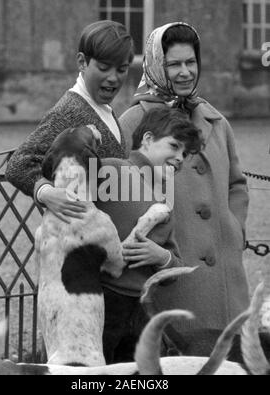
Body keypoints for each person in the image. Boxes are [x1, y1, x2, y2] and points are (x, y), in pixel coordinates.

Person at [119, 22, 250, 358]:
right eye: (174, 64)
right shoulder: (133, 123)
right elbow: (118, 193)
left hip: (225, 280)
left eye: (190, 62)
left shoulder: (217, 121)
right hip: (171, 279)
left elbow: (237, 184)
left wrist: (234, 229)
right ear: (156, 65)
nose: (184, 72)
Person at [97, 106, 204, 363]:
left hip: (143, 307)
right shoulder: (111, 169)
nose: (180, 157)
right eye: (174, 146)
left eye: (185, 153)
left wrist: (161, 256)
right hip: (102, 301)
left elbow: (174, 265)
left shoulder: (165, 198)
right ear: (147, 139)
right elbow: (70, 204)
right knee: (96, 374)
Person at [5, 20, 135, 223]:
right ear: (82, 62)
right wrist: (45, 192)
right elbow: (18, 164)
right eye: (103, 67)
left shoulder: (103, 109)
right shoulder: (68, 111)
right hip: (86, 246)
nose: (113, 78)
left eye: (122, 69)